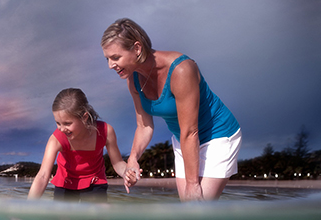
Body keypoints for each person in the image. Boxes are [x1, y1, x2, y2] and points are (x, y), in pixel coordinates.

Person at [1, 88, 136, 220]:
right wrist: (25, 208)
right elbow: (43, 176)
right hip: (65, 184)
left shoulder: (105, 131)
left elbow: (117, 163)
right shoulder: (56, 138)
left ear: (84, 116)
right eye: (57, 123)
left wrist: (128, 171)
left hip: (95, 182)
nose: (61, 128)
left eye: (67, 123)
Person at [101, 18, 241, 201]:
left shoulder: (181, 70)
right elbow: (144, 126)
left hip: (218, 135)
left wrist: (192, 184)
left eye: (115, 57)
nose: (110, 65)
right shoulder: (133, 80)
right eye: (107, 59)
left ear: (137, 48)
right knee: (190, 212)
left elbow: (191, 131)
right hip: (184, 141)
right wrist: (133, 158)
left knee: (197, 207)